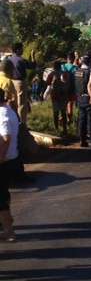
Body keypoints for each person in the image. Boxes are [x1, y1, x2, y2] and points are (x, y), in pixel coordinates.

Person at [0, 88, 19, 242]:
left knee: (0, 199)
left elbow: (6, 138)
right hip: (10, 159)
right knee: (2, 195)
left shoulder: (2, 114)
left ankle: (8, 231)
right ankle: (7, 226)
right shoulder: (8, 110)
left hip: (3, 161)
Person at [8, 42, 35, 126]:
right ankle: (22, 124)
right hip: (20, 83)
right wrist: (33, 56)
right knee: (22, 104)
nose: (22, 50)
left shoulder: (9, 59)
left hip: (11, 82)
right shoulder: (21, 60)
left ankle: (14, 122)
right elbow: (32, 66)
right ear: (17, 50)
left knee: (13, 103)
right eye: (21, 48)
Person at [73, 55, 91, 147]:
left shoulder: (77, 71)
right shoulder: (90, 71)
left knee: (81, 119)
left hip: (79, 98)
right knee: (90, 119)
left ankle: (82, 139)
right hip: (88, 97)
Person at [46, 60, 70, 136]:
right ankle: (65, 129)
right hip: (63, 96)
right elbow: (68, 84)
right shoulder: (65, 73)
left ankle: (56, 129)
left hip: (55, 96)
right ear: (60, 66)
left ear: (54, 66)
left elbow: (47, 83)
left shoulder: (51, 74)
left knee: (55, 113)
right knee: (63, 113)